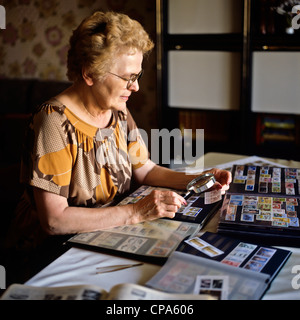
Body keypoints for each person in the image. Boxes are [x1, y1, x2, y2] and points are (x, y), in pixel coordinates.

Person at [5, 11, 231, 282]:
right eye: (127, 77)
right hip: (52, 252)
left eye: (138, 75)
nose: (135, 87)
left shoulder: (118, 110)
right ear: (89, 73)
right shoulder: (53, 122)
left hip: (109, 233)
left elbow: (145, 170)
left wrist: (200, 178)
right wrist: (135, 212)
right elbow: (54, 221)